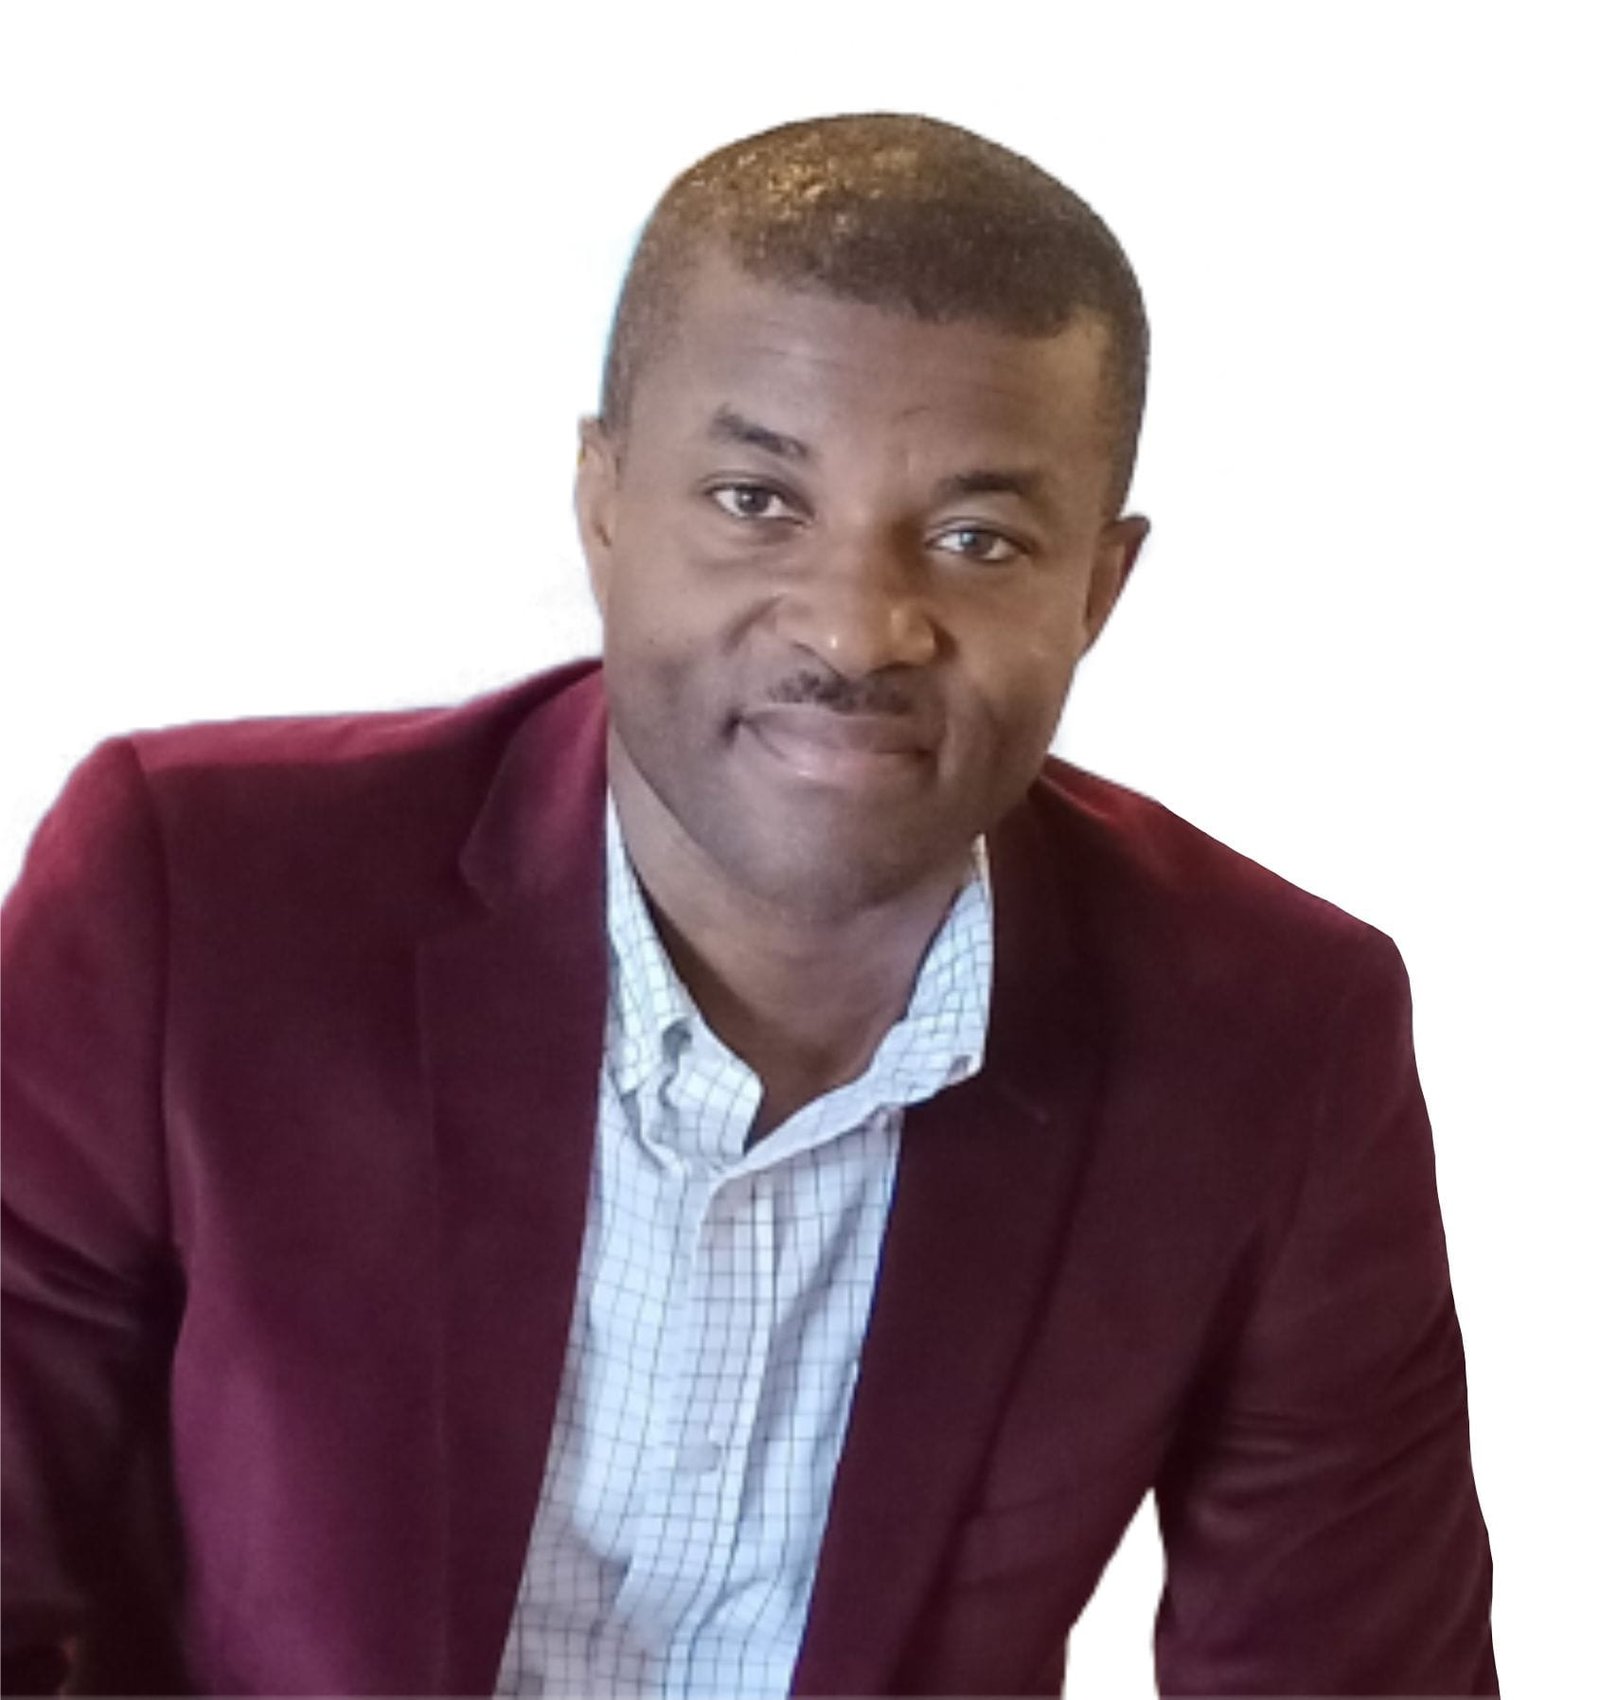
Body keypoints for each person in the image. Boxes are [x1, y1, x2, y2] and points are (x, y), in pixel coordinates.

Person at [0, 113, 1495, 1698]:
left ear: (1098, 589)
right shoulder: (201, 904)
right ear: (604, 500)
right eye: (756, 499)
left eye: (977, 538)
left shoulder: (1271, 1038)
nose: (857, 627)